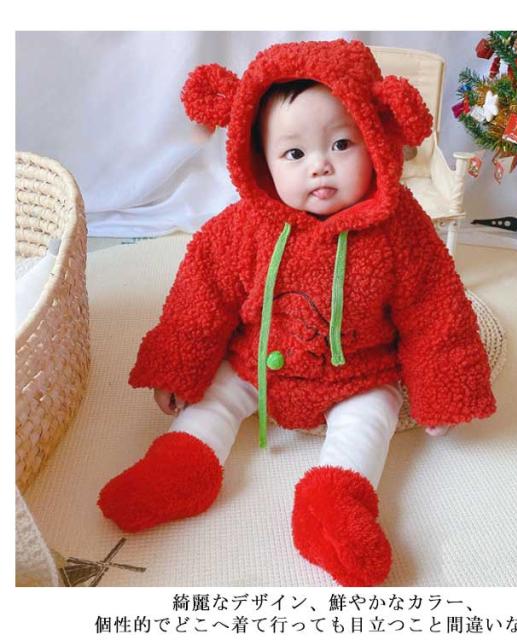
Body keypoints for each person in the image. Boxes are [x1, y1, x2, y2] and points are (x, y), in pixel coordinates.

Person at [98, 39, 496, 587]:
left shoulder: (400, 230)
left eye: (341, 143)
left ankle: (335, 500)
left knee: (369, 420)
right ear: (260, 160)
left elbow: (435, 310)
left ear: (376, 139)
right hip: (255, 361)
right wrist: (177, 367)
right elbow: (200, 298)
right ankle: (183, 462)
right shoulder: (242, 227)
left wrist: (440, 389)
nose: (321, 166)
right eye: (294, 154)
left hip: (358, 371)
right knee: (215, 395)